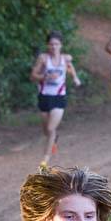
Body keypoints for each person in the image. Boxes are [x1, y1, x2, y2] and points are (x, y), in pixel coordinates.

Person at [30, 31, 81, 168]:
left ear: (61, 45)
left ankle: (45, 160)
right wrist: (44, 77)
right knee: (46, 131)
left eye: (56, 44)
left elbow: (70, 68)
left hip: (59, 97)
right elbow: (33, 75)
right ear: (48, 45)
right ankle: (54, 139)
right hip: (44, 96)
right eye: (51, 44)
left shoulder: (65, 59)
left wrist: (75, 78)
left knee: (51, 128)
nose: (54, 47)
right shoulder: (43, 58)